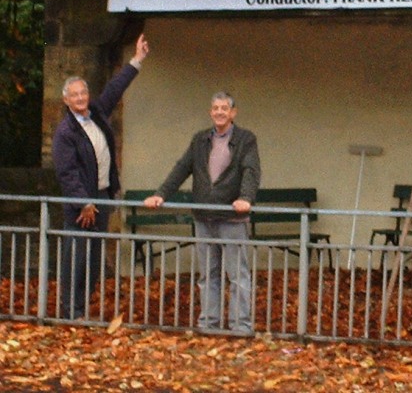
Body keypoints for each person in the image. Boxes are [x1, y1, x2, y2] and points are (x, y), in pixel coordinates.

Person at [144, 92, 260, 334]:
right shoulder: (199, 140)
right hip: (203, 217)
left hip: (231, 218)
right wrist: (161, 194)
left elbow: (251, 170)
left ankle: (241, 326)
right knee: (208, 275)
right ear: (210, 112)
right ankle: (209, 324)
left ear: (233, 113)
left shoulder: (246, 139)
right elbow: (182, 168)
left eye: (224, 108)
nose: (220, 112)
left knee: (237, 275)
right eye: (215, 108)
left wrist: (245, 198)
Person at [53, 33, 150, 320]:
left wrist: (137, 59)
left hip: (102, 197)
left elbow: (115, 88)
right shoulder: (65, 132)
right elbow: (67, 172)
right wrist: (83, 202)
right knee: (77, 258)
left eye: (84, 93)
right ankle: (70, 311)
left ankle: (82, 309)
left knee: (94, 259)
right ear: (66, 100)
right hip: (81, 204)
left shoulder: (96, 112)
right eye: (75, 95)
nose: (81, 98)